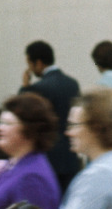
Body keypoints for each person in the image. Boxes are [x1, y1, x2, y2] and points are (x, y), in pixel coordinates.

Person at [20, 41, 81, 191]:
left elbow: (21, 110)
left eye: (30, 64)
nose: (30, 69)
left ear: (38, 63)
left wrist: (25, 87)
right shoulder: (73, 84)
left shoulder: (39, 88)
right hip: (70, 156)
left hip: (49, 158)